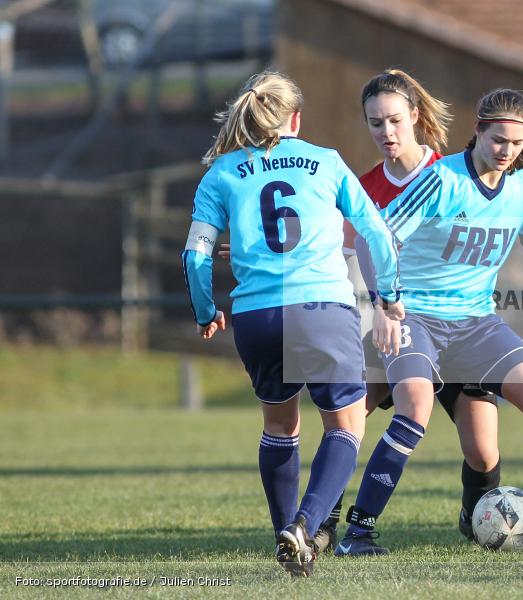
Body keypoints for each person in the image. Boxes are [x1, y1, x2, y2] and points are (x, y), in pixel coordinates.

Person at [335, 88, 523, 557]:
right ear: (478, 131)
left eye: (516, 144)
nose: (506, 151)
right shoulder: (439, 180)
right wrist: (386, 306)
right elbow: (375, 240)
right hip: (418, 317)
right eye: (498, 141)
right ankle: (357, 533)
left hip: (476, 322)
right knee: (413, 408)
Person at [181, 70, 403, 577]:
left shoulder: (220, 173)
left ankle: (287, 541)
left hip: (256, 314)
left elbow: (195, 254)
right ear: (295, 118)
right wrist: (388, 296)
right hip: (322, 308)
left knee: (280, 425)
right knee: (346, 427)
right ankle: (304, 526)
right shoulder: (325, 161)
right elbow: (376, 232)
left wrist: (203, 309)